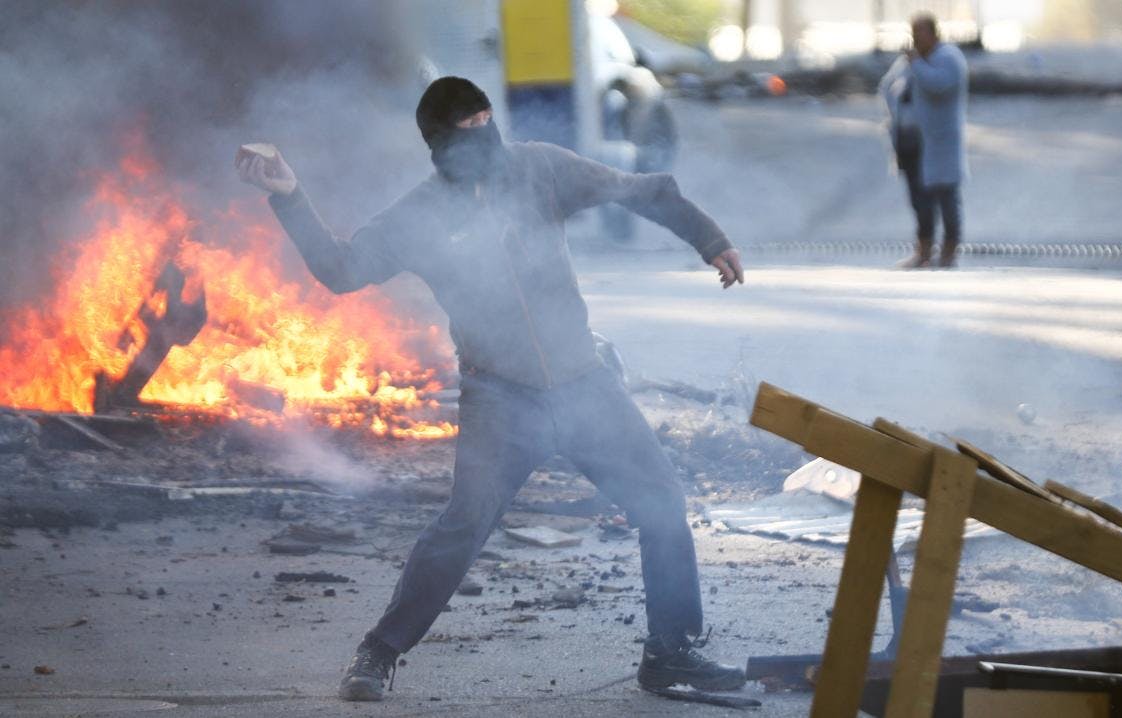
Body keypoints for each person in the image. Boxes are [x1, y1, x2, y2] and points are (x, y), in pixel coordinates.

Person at [235, 76, 746, 702]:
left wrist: (709, 238)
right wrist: (289, 195)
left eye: (487, 121)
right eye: (466, 131)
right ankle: (378, 652)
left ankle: (671, 654)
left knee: (662, 505)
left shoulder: (541, 169)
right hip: (500, 399)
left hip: (584, 385)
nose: (483, 138)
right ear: (437, 144)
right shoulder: (418, 215)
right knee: (464, 524)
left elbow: (641, 190)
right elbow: (341, 269)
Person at [880, 13, 968, 268]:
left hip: (939, 143)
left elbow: (938, 85)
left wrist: (917, 64)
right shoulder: (908, 62)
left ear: (934, 33)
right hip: (910, 141)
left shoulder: (948, 58)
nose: (916, 38)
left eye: (921, 33)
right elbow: (888, 86)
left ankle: (950, 248)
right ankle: (924, 249)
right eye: (913, 33)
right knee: (919, 199)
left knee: (946, 196)